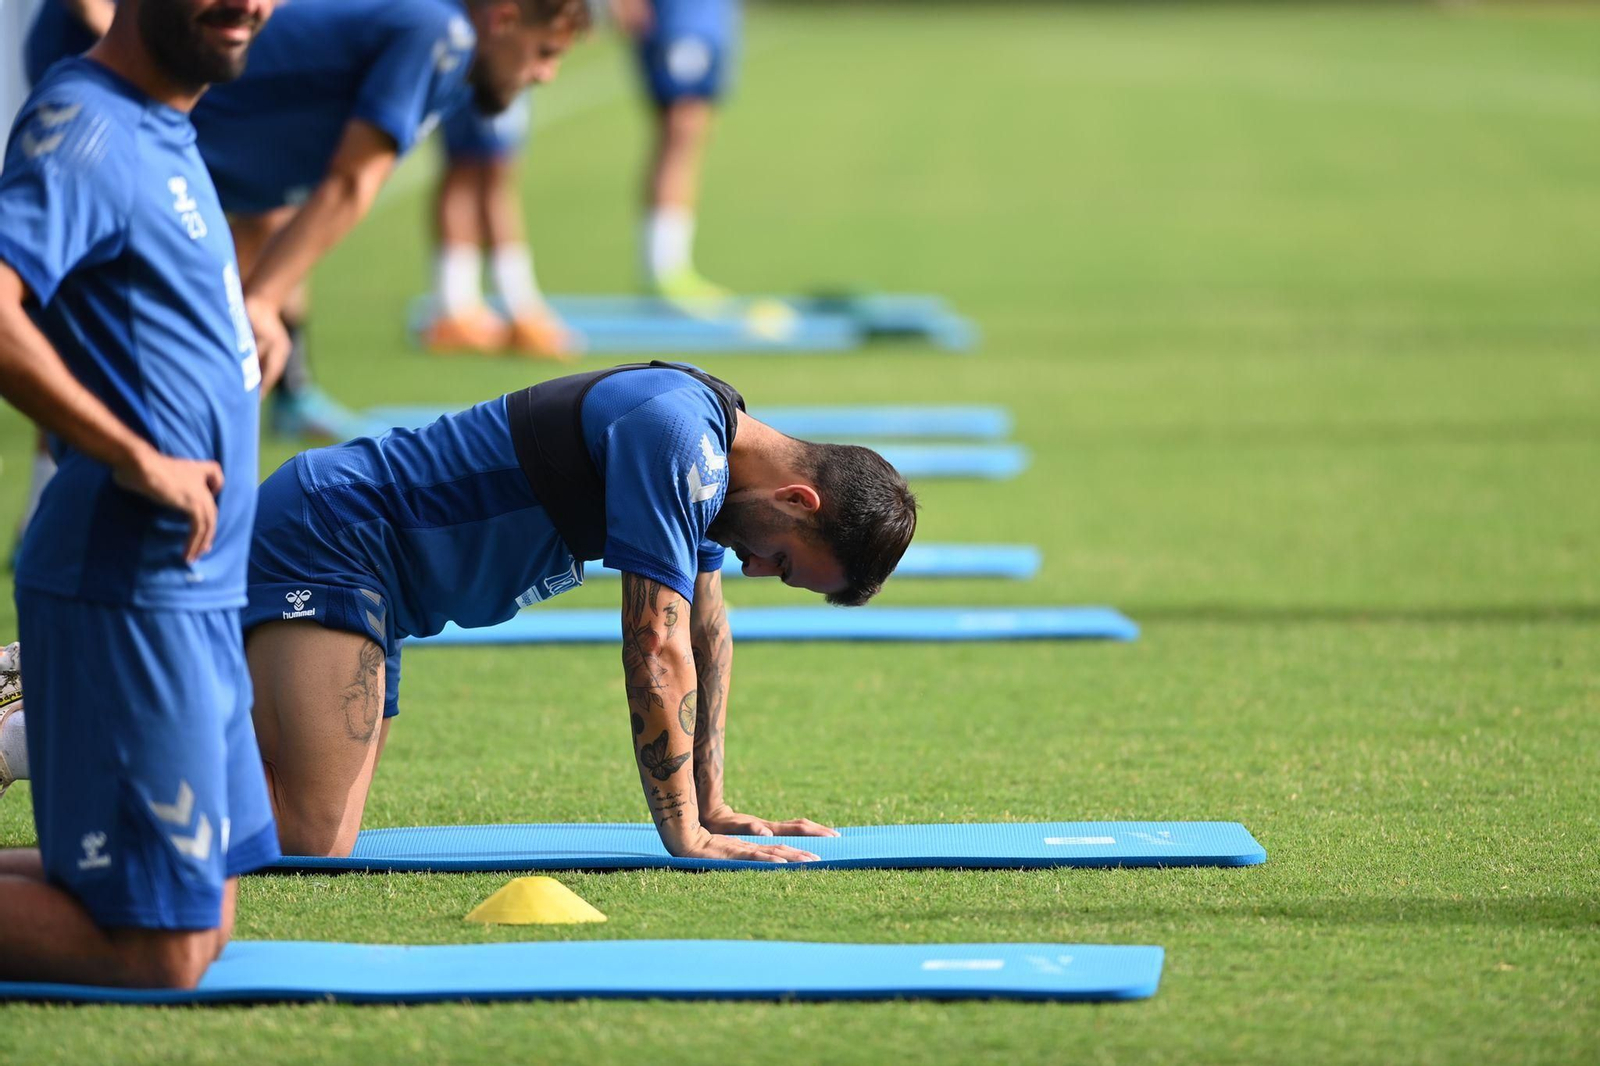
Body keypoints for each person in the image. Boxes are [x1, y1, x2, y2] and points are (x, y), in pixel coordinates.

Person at [242, 361, 916, 861]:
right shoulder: (679, 438)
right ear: (798, 500)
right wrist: (685, 835)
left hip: (380, 585)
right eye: (784, 562)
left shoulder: (718, 471)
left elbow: (706, 633)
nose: (756, 568)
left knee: (319, 831)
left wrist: (713, 805)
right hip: (332, 537)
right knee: (309, 838)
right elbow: (656, 643)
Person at [0, 0, 280, 989]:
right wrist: (130, 452)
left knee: (207, 910)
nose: (250, 4)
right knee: (163, 950)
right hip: (126, 582)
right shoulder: (85, 125)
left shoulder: (164, 122)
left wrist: (243, 329)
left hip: (200, 585)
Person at [190, 0, 589, 436]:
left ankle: (293, 394)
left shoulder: (453, 53)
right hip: (150, 160)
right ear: (504, 18)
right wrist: (261, 303)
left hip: (199, 175)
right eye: (545, 53)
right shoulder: (439, 32)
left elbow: (274, 194)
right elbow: (350, 182)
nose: (545, 75)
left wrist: (259, 301)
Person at [425, 93, 577, 359]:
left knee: (493, 169)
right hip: (484, 65)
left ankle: (496, 305)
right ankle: (465, 309)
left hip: (500, 65)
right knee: (473, 168)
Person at [613, 0, 742, 303]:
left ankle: (669, 267)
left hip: (706, 14)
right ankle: (664, 268)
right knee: (681, 128)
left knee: (693, 130)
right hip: (680, 17)